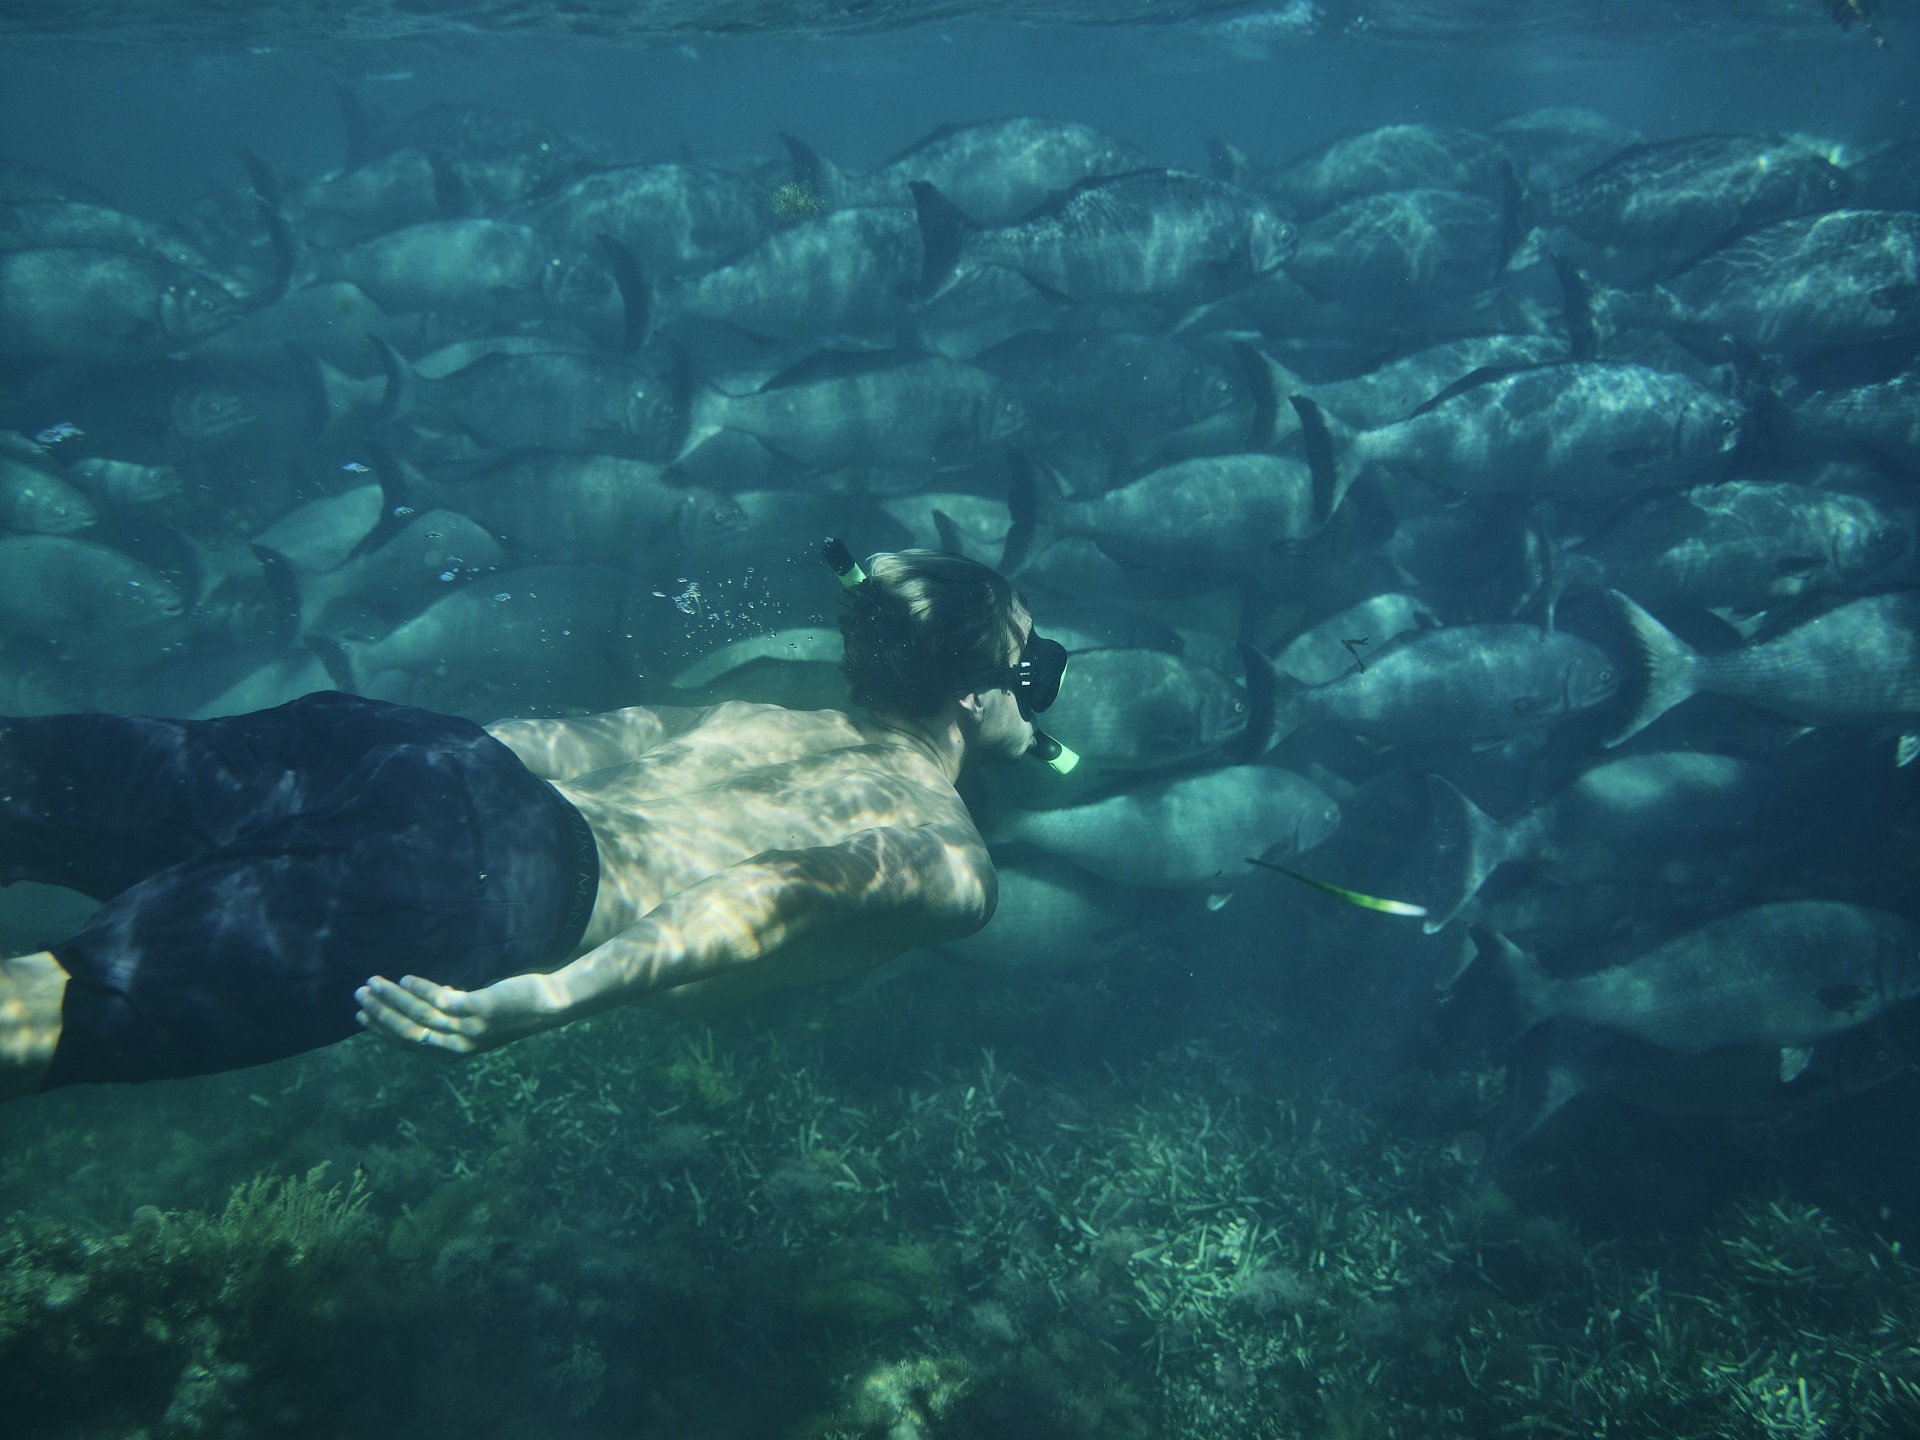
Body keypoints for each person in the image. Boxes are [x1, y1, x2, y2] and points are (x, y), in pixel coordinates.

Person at [0, 547, 1071, 1101]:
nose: (1044, 697)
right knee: (57, 1010)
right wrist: (553, 997)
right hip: (493, 878)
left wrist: (389, 792)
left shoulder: (765, 715)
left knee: (30, 780)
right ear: (977, 696)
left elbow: (576, 736)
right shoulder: (948, 860)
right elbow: (771, 893)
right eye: (1040, 673)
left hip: (418, 752)